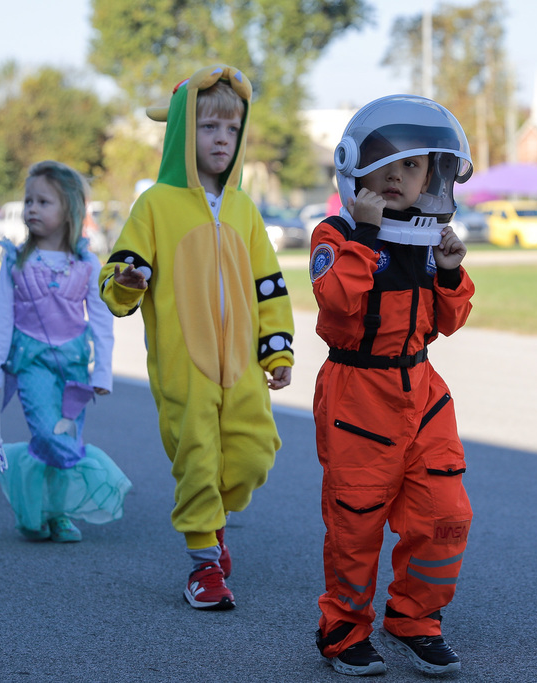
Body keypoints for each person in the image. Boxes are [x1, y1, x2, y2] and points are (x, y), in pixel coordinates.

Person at [99, 65, 294, 610]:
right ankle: (203, 564)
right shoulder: (156, 205)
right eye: (209, 127)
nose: (221, 140)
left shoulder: (245, 210)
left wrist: (277, 345)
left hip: (243, 368)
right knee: (198, 461)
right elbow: (118, 272)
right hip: (185, 366)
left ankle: (214, 523)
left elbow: (270, 286)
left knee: (255, 455)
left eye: (231, 130)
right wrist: (127, 282)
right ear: (184, 133)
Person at [309, 94, 475, 676]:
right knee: (356, 522)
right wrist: (368, 237)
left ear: (435, 174)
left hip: (423, 389)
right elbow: (335, 300)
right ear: (357, 167)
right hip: (357, 393)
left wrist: (451, 272)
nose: (401, 177)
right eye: (389, 163)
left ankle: (414, 619)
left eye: (414, 166)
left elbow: (450, 322)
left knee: (445, 512)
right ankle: (344, 630)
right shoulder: (336, 234)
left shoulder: (430, 241)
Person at [0, 160, 129, 543]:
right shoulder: (16, 261)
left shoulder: (86, 264)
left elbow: (101, 321)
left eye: (43, 201)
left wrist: (103, 372)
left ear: (69, 211)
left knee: (68, 434)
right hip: (31, 364)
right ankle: (35, 504)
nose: (31, 208)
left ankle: (58, 514)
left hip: (74, 369)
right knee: (48, 434)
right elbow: (1, 316)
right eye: (28, 200)